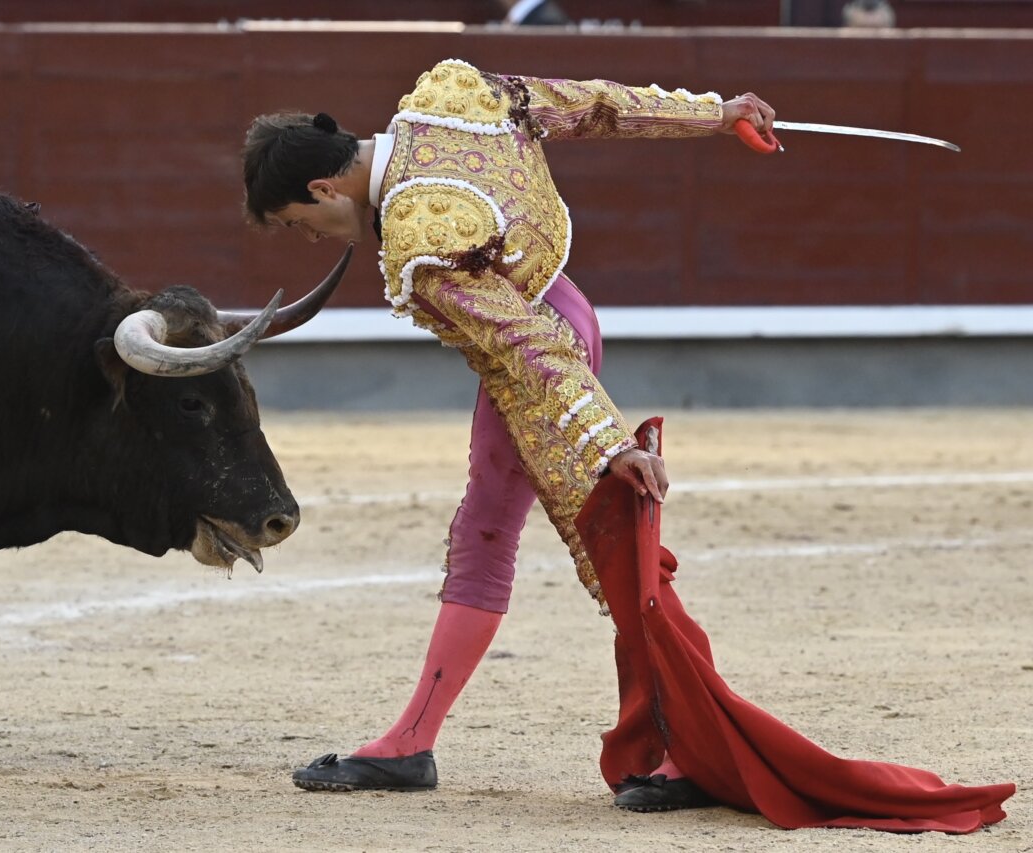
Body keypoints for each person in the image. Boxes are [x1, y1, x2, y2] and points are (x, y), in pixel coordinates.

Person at [240, 60, 1014, 829]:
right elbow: (597, 104)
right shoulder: (450, 99)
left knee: (611, 547)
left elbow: (523, 342)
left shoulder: (423, 234)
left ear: (322, 189)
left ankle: (681, 748)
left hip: (547, 360)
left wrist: (607, 439)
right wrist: (717, 112)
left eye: (294, 224)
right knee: (494, 527)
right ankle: (419, 740)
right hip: (557, 329)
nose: (308, 238)